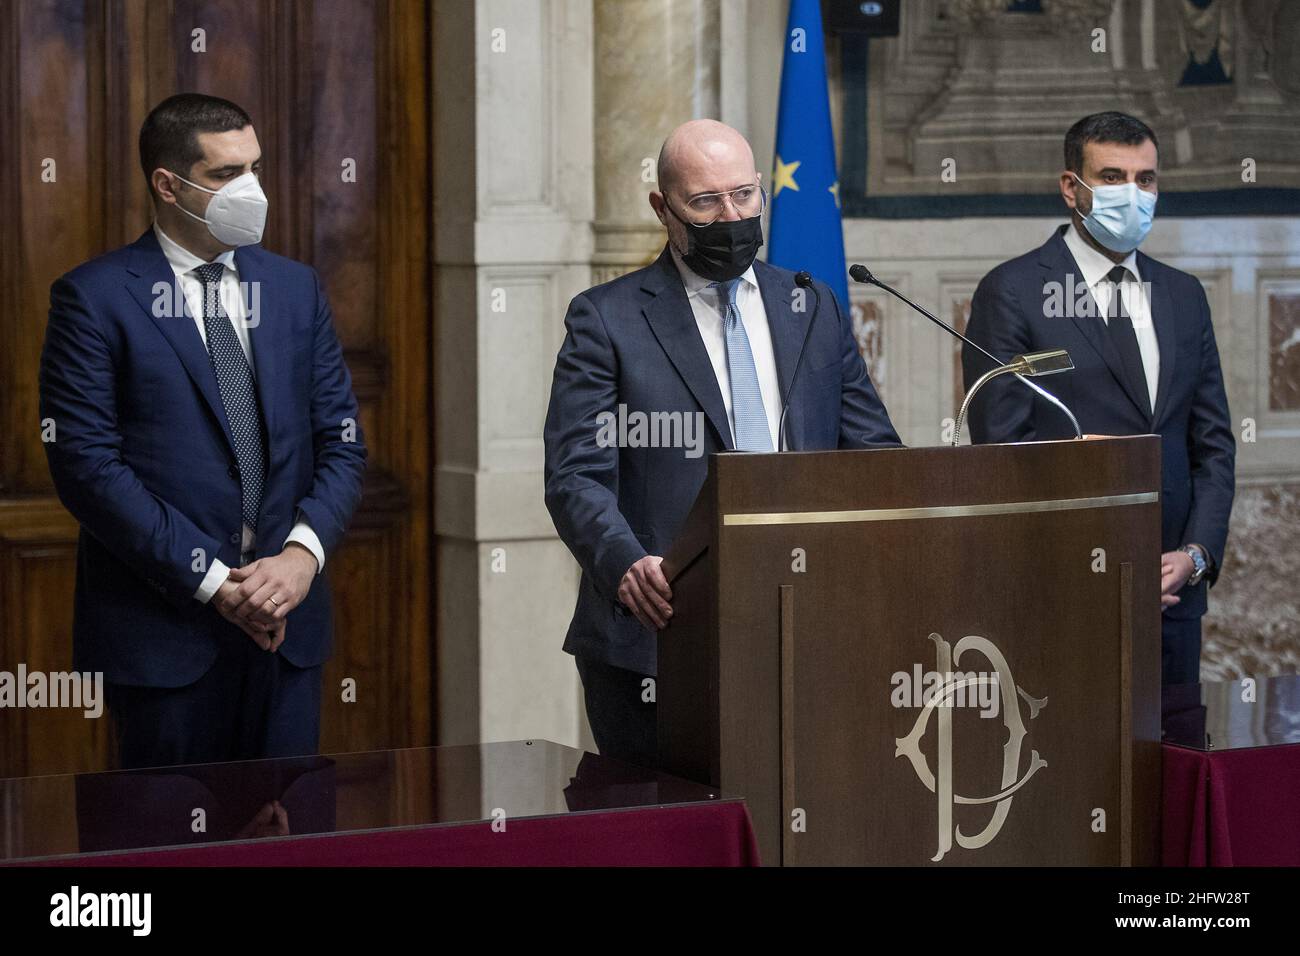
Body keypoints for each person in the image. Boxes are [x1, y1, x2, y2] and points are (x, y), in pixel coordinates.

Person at [544, 119, 900, 767]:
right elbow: (574, 476)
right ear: (663, 208)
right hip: (661, 635)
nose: (731, 215)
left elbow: (874, 456)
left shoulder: (810, 304)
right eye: (705, 202)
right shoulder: (606, 319)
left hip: (807, 626)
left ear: (763, 192)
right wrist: (625, 564)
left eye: (743, 195)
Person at [40, 93, 367, 768]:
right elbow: (87, 468)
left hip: (287, 629)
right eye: (225, 174)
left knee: (290, 841)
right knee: (163, 843)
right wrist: (217, 583)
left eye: (255, 167)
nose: (250, 188)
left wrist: (301, 557)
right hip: (164, 640)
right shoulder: (95, 298)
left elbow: (341, 441)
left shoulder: (294, 288)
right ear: (168, 184)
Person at [961, 111, 1235, 686]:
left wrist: (1196, 556)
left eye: (1145, 179)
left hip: (1172, 599)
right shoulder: (1012, 292)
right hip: (1063, 592)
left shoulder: (1183, 296)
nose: (1131, 195)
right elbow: (1004, 452)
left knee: (1175, 760)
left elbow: (1212, 447)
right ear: (1071, 187)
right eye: (1112, 177)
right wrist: (1109, 565)